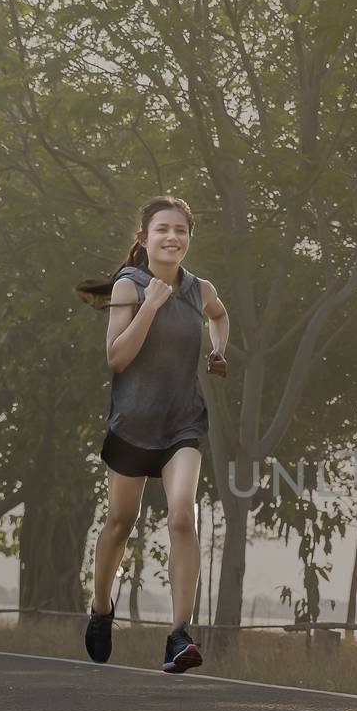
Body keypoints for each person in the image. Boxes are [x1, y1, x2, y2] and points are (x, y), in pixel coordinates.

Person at [74, 196, 229, 672]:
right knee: (121, 522)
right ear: (144, 238)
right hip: (133, 425)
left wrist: (219, 351)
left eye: (181, 230)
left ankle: (179, 635)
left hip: (183, 423)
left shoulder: (200, 289)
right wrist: (150, 306)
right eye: (163, 229)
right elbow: (116, 358)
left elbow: (220, 316)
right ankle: (101, 609)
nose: (173, 237)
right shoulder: (128, 286)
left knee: (184, 515)